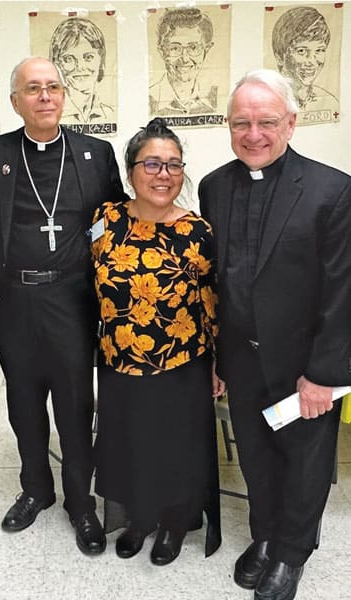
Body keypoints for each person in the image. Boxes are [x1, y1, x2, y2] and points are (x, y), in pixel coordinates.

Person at [199, 69, 351, 600]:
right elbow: (219, 280)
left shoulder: (333, 190)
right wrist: (218, 357)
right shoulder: (213, 186)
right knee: (256, 456)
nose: (253, 134)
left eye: (266, 122)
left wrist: (326, 376)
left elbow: (343, 292)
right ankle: (264, 536)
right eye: (241, 123)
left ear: (291, 122)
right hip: (242, 358)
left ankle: (291, 553)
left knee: (305, 464)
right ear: (228, 125)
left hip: (304, 365)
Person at [0, 56, 127, 555]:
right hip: (13, 300)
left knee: (76, 405)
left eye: (52, 87)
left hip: (73, 299)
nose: (44, 96)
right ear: (15, 100)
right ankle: (36, 488)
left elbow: (117, 220)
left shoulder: (94, 153)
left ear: (64, 96)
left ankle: (81, 502)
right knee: (23, 403)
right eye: (32, 89)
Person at [91, 117, 222, 565]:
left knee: (174, 445)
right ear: (131, 172)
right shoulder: (105, 221)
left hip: (180, 362)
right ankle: (139, 518)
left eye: (172, 165)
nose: (162, 174)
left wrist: (219, 364)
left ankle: (172, 523)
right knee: (129, 442)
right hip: (118, 360)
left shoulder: (199, 232)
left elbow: (213, 301)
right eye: (151, 164)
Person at [149, 8, 217, 116]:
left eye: (193, 47)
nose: (184, 59)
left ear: (206, 49)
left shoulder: (215, 99)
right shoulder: (148, 99)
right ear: (162, 52)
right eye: (174, 48)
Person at [271, 6, 338, 112]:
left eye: (319, 50)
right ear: (279, 57)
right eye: (301, 51)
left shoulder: (330, 102)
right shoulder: (267, 102)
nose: (311, 61)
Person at [49, 17, 115, 123]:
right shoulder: (50, 117)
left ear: (101, 61)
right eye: (69, 59)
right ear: (56, 64)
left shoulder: (109, 113)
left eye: (88, 57)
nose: (80, 67)